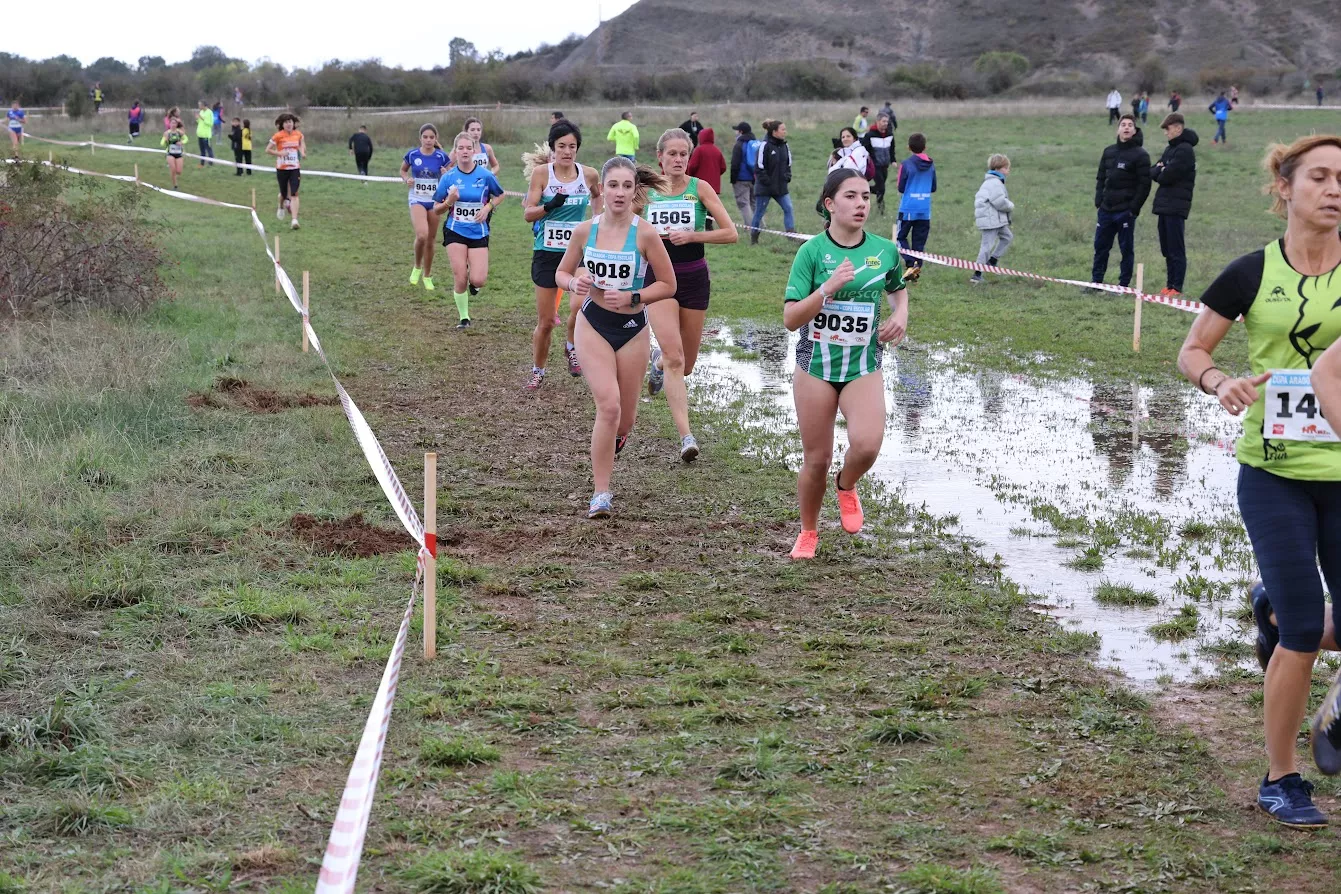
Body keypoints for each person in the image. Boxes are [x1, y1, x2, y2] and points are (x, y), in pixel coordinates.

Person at [1175, 134, 1341, 827]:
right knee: (1305, 627)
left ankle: (1271, 615)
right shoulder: (1250, 272)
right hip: (1272, 472)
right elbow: (1191, 349)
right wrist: (1219, 383)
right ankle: (1281, 778)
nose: (1334, 191)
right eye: (1321, 178)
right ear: (1285, 188)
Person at [783, 168, 909, 560]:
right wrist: (827, 288)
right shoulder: (811, 252)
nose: (861, 204)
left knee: (868, 445)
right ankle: (808, 532)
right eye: (851, 196)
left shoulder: (885, 250)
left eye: (866, 197)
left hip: (863, 365)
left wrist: (900, 315)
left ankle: (847, 483)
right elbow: (790, 318)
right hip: (815, 368)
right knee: (816, 459)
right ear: (830, 204)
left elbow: (897, 291)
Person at [554, 157, 677, 519]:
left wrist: (634, 297)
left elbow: (669, 285)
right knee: (608, 407)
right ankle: (601, 493)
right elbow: (562, 274)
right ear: (602, 189)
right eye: (613, 185)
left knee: (625, 419)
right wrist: (574, 283)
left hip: (633, 330)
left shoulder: (645, 233)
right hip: (592, 325)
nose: (620, 193)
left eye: (627, 186)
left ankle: (611, 442)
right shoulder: (584, 231)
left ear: (634, 190)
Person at [644, 128, 739, 461]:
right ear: (660, 157)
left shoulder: (701, 188)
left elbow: (731, 233)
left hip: (694, 277)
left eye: (683, 154)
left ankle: (656, 361)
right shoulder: (646, 190)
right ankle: (686, 437)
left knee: (686, 365)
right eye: (671, 153)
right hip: (657, 280)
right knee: (676, 358)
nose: (678, 159)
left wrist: (694, 235)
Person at [523, 118, 603, 388]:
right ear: (552, 148)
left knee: (579, 306)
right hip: (547, 252)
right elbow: (528, 213)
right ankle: (538, 370)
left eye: (572, 146)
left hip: (578, 253)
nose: (567, 151)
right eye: (562, 146)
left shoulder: (589, 174)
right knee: (546, 323)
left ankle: (571, 347)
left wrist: (598, 219)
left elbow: (597, 197)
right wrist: (549, 206)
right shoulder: (542, 175)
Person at [433, 130, 506, 329]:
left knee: (478, 279)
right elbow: (436, 209)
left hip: (478, 231)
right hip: (455, 230)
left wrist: (488, 207)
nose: (464, 151)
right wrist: (449, 201)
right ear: (455, 152)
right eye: (460, 148)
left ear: (475, 151)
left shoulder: (485, 175)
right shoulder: (448, 178)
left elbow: (500, 195)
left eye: (468, 148)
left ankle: (474, 285)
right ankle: (464, 318)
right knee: (460, 276)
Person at [1090, 114, 1150, 289]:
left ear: (1134, 129)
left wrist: (1133, 208)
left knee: (1126, 249)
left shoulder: (1141, 155)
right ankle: (1096, 282)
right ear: (1118, 129)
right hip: (1106, 210)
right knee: (1100, 247)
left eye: (1130, 125)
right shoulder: (1108, 152)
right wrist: (1098, 200)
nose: (1126, 127)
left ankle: (1124, 285)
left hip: (1125, 211)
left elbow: (1144, 185)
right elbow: (1100, 178)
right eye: (1123, 124)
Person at [1151, 112, 1199, 297]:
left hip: (1176, 205)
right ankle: (1169, 284)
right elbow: (1153, 170)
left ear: (1178, 128)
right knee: (1167, 247)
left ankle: (1176, 287)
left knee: (1176, 247)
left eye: (1168, 129)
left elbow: (1166, 176)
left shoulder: (1185, 150)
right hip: (1164, 204)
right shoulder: (1169, 149)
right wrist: (1160, 169)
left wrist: (1162, 171)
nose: (1166, 133)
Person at [400, 124, 450, 293]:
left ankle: (427, 276)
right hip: (417, 199)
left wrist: (445, 174)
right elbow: (403, 170)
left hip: (435, 200)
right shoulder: (413, 154)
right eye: (425, 137)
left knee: (431, 240)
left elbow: (450, 176)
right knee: (422, 234)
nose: (428, 140)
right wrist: (406, 179)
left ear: (436, 139)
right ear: (420, 138)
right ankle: (416, 267)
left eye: (431, 137)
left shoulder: (441, 156)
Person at [895, 132, 937, 280]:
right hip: (925, 210)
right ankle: (915, 269)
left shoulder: (906, 165)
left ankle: (910, 263)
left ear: (908, 147)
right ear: (925, 147)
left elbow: (901, 187)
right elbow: (933, 187)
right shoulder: (931, 165)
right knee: (919, 242)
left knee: (899, 238)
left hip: (908, 208)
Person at [970, 154, 1014, 285]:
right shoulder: (994, 183)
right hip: (990, 220)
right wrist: (1010, 205)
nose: (1008, 171)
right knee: (986, 246)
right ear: (999, 168)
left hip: (997, 219)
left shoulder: (993, 181)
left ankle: (992, 261)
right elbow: (999, 201)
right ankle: (977, 274)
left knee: (1007, 237)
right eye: (1006, 168)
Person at [749, 119, 794, 244]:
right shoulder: (764, 146)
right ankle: (754, 236)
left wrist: (787, 176)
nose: (785, 132)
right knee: (759, 212)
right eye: (782, 129)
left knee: (788, 208)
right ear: (774, 131)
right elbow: (759, 167)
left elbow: (788, 164)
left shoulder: (785, 145)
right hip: (765, 188)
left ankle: (791, 234)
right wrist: (767, 181)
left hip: (781, 188)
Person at [265, 112, 306, 230]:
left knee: (294, 193)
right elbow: (267, 150)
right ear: (282, 124)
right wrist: (279, 153)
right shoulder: (277, 136)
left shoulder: (298, 134)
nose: (289, 124)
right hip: (282, 168)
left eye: (290, 122)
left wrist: (302, 152)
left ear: (293, 123)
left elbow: (301, 143)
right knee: (283, 194)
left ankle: (294, 220)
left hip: (294, 168)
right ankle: (281, 206)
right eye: (286, 122)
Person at [862, 115, 895, 214]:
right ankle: (881, 209)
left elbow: (892, 149)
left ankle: (863, 191)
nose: (885, 123)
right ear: (877, 121)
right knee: (881, 187)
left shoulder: (890, 134)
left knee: (880, 188)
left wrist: (893, 160)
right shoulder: (870, 135)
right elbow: (864, 149)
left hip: (885, 165)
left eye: (887, 121)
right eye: (883, 121)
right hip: (874, 165)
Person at [729, 121, 759, 226]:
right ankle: (761, 226)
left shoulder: (739, 144)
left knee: (743, 203)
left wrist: (733, 178)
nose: (735, 132)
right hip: (755, 177)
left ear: (741, 132)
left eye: (737, 130)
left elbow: (735, 163)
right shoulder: (755, 143)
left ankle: (751, 227)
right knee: (754, 203)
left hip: (741, 178)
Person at [685, 127, 725, 196]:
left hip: (700, 186)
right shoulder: (717, 151)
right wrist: (715, 174)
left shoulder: (699, 150)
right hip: (714, 187)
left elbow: (692, 166)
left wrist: (689, 175)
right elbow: (723, 167)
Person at [161, 117, 186, 189]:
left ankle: (175, 181)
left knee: (179, 171)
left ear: (176, 124)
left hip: (179, 154)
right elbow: (162, 143)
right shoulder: (167, 133)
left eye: (175, 123)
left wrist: (181, 142)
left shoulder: (179, 132)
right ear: (170, 124)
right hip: (170, 154)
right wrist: (165, 140)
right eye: (172, 123)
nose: (173, 125)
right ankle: (175, 186)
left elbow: (186, 139)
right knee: (173, 170)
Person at [195, 102, 215, 167]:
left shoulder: (210, 113)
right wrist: (197, 118)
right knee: (202, 150)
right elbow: (199, 122)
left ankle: (211, 162)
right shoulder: (201, 112)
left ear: (204, 105)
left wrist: (202, 118)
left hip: (206, 135)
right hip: (200, 134)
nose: (199, 106)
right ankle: (202, 163)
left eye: (200, 105)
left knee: (208, 149)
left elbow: (210, 123)